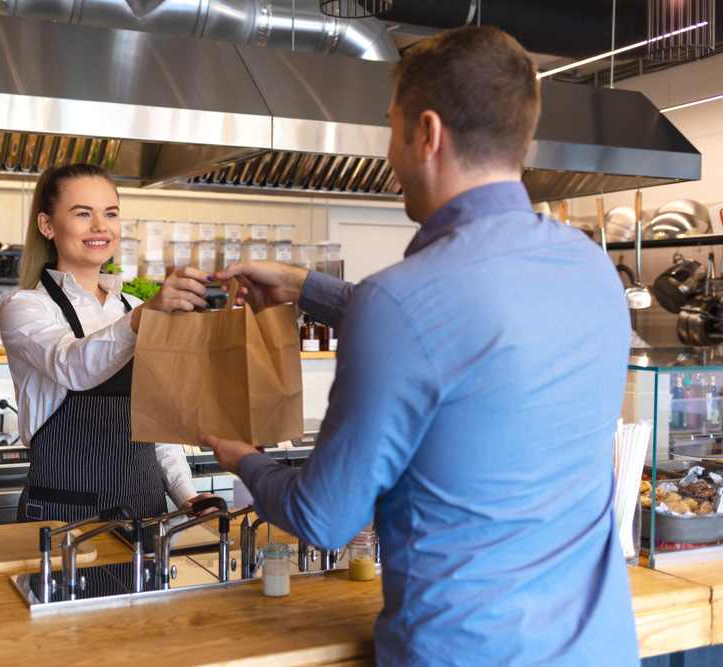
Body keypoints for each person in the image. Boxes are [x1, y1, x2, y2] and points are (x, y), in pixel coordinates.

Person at [202, 26, 639, 667]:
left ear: (427, 134)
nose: (388, 152)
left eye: (390, 126)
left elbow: (323, 517)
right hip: (598, 649)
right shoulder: (593, 269)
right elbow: (465, 341)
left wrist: (241, 457)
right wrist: (303, 286)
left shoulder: (403, 304)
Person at [0, 163, 217, 538]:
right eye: (83, 213)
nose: (100, 226)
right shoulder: (23, 306)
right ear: (47, 225)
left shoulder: (132, 306)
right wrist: (146, 318)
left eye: (110, 213)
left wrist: (186, 495)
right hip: (64, 518)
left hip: (146, 514)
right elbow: (73, 366)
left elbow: (157, 424)